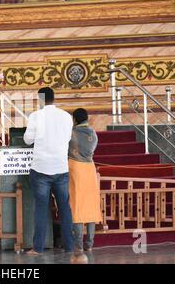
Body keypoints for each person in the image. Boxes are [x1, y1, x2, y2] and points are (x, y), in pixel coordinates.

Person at [23, 87, 74, 255]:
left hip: (41, 168)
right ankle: (69, 247)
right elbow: (67, 139)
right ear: (54, 98)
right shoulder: (66, 116)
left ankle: (37, 248)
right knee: (64, 208)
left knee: (41, 208)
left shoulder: (36, 116)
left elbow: (28, 140)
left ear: (40, 100)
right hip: (60, 167)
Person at [68, 108, 102, 255]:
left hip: (75, 169)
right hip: (90, 169)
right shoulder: (93, 134)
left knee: (77, 207)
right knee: (90, 207)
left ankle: (79, 245)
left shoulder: (71, 134)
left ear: (75, 119)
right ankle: (89, 244)